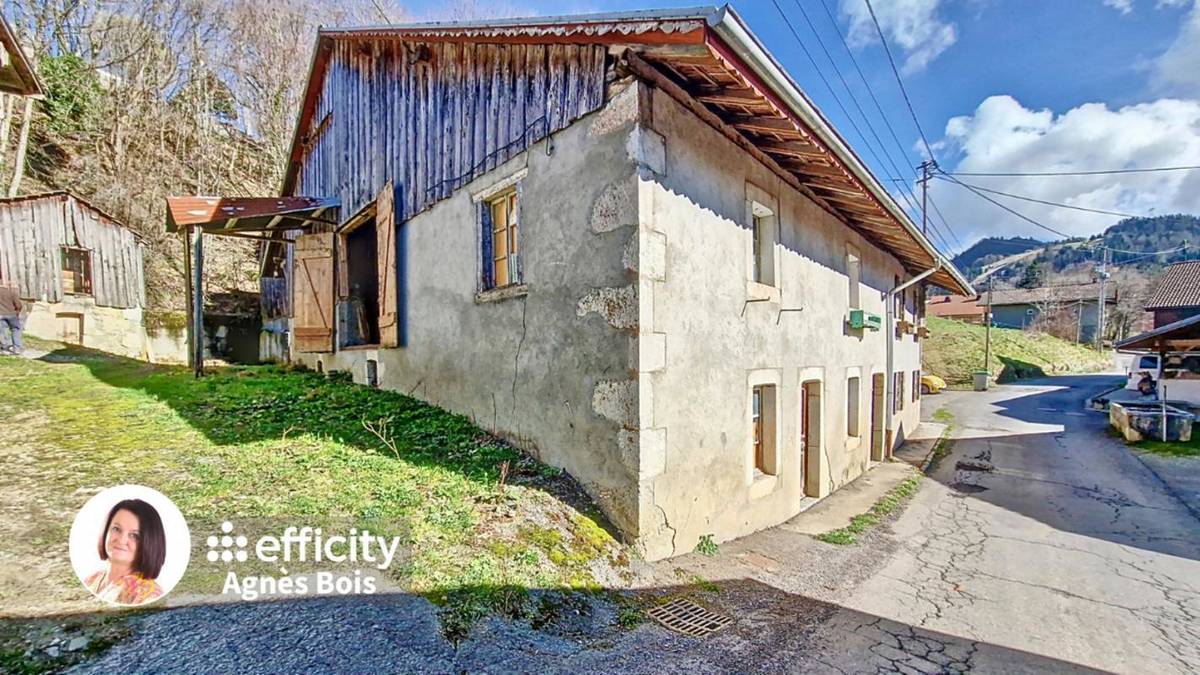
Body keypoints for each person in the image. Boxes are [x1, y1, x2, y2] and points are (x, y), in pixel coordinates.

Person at [83, 499, 166, 605]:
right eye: (116, 529)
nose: (121, 540)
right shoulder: (92, 579)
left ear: (150, 543)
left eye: (134, 535)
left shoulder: (150, 596)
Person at [0, 282, 22, 355]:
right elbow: (18, 305)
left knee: (2, 331)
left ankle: (4, 348)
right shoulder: (11, 292)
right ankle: (17, 348)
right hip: (11, 314)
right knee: (16, 329)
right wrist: (17, 311)